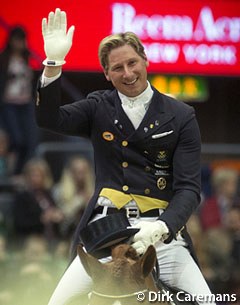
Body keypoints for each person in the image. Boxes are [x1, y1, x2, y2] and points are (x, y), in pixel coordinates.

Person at [36, 8, 214, 305]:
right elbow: (49, 119)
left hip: (160, 236)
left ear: (145, 60)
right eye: (117, 68)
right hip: (104, 233)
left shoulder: (182, 116)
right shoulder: (97, 107)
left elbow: (188, 189)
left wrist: (163, 227)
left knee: (207, 301)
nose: (128, 73)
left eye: (133, 63)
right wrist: (53, 65)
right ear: (106, 73)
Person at [0, 26, 38, 175]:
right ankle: (11, 172)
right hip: (9, 104)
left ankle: (20, 173)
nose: (19, 44)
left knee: (30, 141)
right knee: (16, 140)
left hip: (26, 103)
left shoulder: (27, 59)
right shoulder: (4, 59)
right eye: (17, 40)